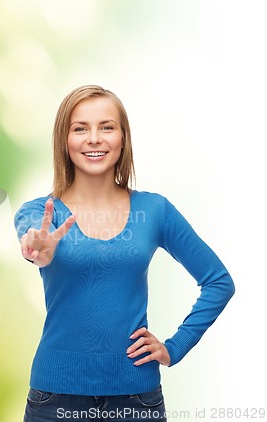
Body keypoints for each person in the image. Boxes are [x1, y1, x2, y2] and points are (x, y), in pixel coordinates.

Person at [14, 85, 235, 422]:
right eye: (80, 128)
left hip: (136, 400)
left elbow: (218, 282)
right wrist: (37, 250)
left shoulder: (155, 210)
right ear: (64, 140)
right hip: (54, 400)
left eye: (106, 126)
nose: (94, 138)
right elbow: (34, 244)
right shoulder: (41, 213)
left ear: (122, 138)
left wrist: (174, 347)